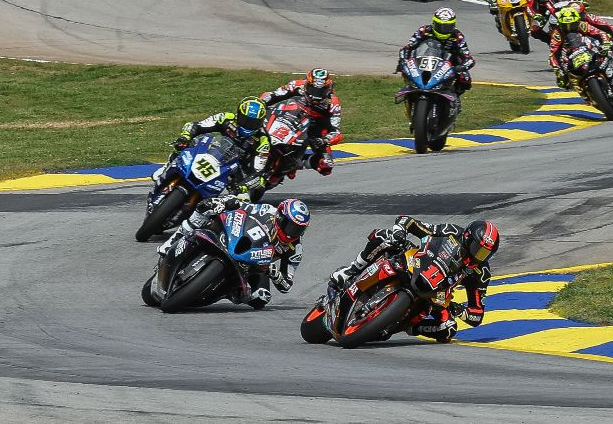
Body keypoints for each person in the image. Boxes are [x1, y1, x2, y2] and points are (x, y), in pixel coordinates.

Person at [328, 215, 498, 342]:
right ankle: (350, 271)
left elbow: (477, 316)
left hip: (436, 296)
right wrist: (400, 232)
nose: (479, 256)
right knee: (385, 236)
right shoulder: (452, 232)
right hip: (418, 262)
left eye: (485, 254)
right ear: (468, 238)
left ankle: (407, 326)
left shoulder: (481, 272)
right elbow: (407, 221)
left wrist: (458, 309)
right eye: (478, 249)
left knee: (448, 330)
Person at [160, 193, 310, 308]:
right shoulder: (267, 211)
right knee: (205, 207)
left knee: (262, 298)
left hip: (255, 266)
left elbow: (287, 285)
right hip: (237, 237)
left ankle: (230, 293)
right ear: (280, 216)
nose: (293, 232)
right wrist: (224, 202)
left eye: (298, 229)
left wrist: (275, 274)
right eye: (291, 226)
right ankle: (173, 240)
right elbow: (243, 205)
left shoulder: (295, 248)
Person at [248, 68, 343, 194]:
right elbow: (272, 95)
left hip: (314, 129)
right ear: (307, 83)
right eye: (313, 89)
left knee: (326, 165)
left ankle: (296, 163)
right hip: (289, 115)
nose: (316, 94)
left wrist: (324, 140)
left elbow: (336, 132)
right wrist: (259, 103)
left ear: (329, 88)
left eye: (321, 91)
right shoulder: (296, 85)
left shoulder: (333, 104)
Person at [153, 97, 271, 194]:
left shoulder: (262, 141)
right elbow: (196, 125)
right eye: (245, 120)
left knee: (241, 202)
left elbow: (259, 173)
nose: (248, 125)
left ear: (260, 122)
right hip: (213, 152)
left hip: (235, 170)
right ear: (238, 114)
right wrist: (185, 136)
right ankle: (168, 166)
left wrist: (244, 186)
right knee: (184, 144)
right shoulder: (226, 118)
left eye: (253, 123)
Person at [397, 7, 475, 94]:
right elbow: (407, 48)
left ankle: (454, 97)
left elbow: (469, 59)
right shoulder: (424, 30)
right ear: (434, 23)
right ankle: (412, 87)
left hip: (450, 62)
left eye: (448, 27)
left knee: (465, 79)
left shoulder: (458, 37)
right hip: (426, 58)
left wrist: (461, 67)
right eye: (440, 26)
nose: (443, 30)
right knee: (403, 66)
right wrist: (403, 60)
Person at [548, 6, 613, 89]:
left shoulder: (582, 25)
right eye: (565, 25)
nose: (569, 28)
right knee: (563, 82)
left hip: (590, 48)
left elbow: (600, 33)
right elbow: (553, 53)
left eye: (571, 24)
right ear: (560, 23)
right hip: (572, 55)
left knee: (612, 52)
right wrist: (558, 70)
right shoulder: (557, 33)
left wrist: (606, 43)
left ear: (577, 21)